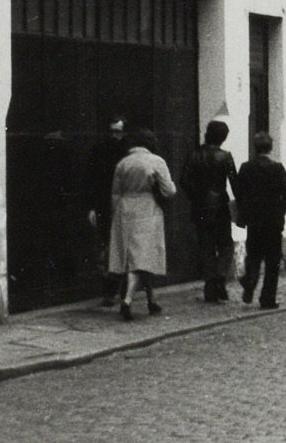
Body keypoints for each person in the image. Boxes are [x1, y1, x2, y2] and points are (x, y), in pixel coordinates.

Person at [108, 127, 175, 320]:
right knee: (141, 258)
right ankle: (127, 300)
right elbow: (169, 190)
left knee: (135, 256)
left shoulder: (123, 163)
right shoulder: (156, 161)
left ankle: (151, 299)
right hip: (148, 210)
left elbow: (115, 193)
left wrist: (116, 215)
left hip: (125, 209)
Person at [181, 118, 240, 303]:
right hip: (220, 205)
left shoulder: (194, 154)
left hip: (200, 206)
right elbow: (235, 183)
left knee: (205, 245)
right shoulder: (226, 156)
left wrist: (197, 195)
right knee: (226, 244)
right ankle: (221, 275)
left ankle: (210, 286)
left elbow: (184, 180)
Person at [235, 131, 286, 310]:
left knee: (253, 255)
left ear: (255, 148)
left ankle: (249, 282)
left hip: (254, 221)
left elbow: (239, 193)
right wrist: (280, 212)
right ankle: (267, 298)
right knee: (272, 261)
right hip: (273, 222)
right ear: (270, 148)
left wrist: (245, 212)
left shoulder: (246, 168)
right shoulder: (278, 168)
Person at [83, 116, 129, 307]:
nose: (114, 136)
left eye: (118, 132)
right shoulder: (99, 151)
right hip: (104, 205)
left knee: (122, 249)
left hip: (123, 206)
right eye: (111, 131)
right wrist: (91, 207)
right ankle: (109, 291)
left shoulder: (128, 153)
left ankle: (123, 289)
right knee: (106, 250)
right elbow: (91, 180)